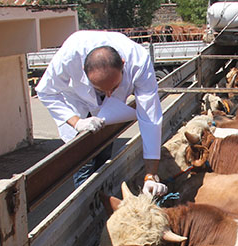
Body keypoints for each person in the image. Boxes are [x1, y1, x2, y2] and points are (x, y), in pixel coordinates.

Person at [35, 30, 168, 197]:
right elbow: (45, 91)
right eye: (101, 89)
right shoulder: (70, 56)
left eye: (114, 87)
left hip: (110, 113)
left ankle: (103, 198)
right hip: (78, 104)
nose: (109, 94)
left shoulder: (138, 60)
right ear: (83, 69)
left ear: (123, 63)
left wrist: (151, 174)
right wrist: (76, 121)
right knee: (83, 163)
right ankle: (87, 207)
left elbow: (150, 117)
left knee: (104, 154)